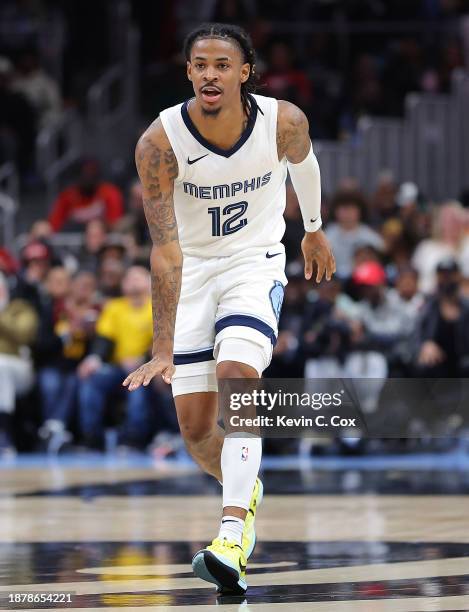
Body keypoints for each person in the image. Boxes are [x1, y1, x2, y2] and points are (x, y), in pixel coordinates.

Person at [122, 23, 335, 594]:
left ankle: (232, 533)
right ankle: (245, 486)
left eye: (222, 64)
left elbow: (305, 164)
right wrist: (162, 347)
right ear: (188, 72)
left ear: (245, 72)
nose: (210, 74)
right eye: (200, 65)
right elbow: (165, 253)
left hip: (254, 262)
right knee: (195, 431)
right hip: (191, 271)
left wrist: (313, 230)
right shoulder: (159, 144)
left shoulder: (282, 121)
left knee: (239, 376)